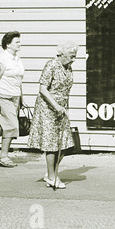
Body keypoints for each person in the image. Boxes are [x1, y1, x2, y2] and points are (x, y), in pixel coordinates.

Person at [28, 41, 79, 189]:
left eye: (75, 57)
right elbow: (43, 89)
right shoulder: (51, 65)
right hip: (47, 108)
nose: (73, 60)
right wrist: (55, 105)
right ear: (61, 54)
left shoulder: (68, 67)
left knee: (65, 143)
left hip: (61, 109)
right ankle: (51, 177)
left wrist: (63, 107)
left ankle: (51, 172)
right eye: (71, 56)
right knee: (51, 144)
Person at [0, 31, 25, 168]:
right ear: (7, 44)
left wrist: (21, 98)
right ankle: (3, 156)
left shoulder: (17, 58)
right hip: (4, 96)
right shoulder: (1, 59)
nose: (19, 44)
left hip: (15, 96)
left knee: (9, 127)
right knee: (11, 126)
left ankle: (4, 155)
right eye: (17, 42)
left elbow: (19, 80)